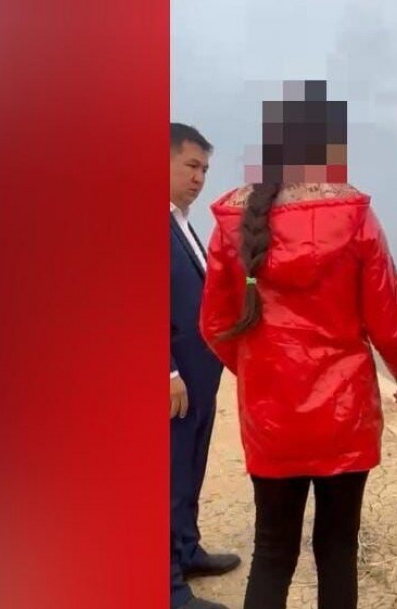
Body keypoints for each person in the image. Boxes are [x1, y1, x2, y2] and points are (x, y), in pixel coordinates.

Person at [199, 80, 397, 609]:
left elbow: (214, 323)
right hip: (344, 413)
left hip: (271, 414)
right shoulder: (355, 213)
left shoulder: (235, 219)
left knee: (272, 552)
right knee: (338, 550)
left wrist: (259, 368)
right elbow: (386, 312)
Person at [170, 123, 241, 609]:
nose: (199, 178)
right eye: (191, 166)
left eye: (205, 169)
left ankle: (187, 551)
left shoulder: (182, 223)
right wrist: (166, 371)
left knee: (191, 469)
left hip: (201, 379)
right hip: (174, 381)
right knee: (167, 477)